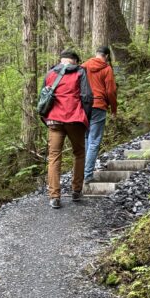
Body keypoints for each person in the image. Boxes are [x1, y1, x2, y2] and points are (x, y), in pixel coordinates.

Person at [41, 49, 93, 209]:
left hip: (54, 120)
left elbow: (42, 97)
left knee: (54, 157)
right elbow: (87, 97)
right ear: (75, 61)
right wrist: (86, 117)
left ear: (61, 60)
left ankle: (54, 196)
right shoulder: (80, 72)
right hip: (74, 118)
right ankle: (76, 191)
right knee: (79, 153)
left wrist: (46, 119)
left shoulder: (50, 73)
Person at [82, 46, 118, 184]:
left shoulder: (84, 66)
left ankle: (82, 173)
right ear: (107, 56)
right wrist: (113, 108)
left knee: (86, 138)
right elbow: (111, 91)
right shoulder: (107, 68)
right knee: (94, 141)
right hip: (98, 106)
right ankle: (87, 175)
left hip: (84, 106)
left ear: (96, 54)